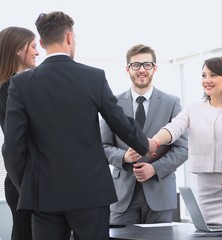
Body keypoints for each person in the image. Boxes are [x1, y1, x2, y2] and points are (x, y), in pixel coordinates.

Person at [2, 11, 157, 240]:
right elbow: (118, 121)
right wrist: (145, 144)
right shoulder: (92, 77)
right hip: (90, 194)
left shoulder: (21, 84)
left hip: (44, 195)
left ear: (42, 43)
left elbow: (12, 147)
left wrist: (26, 186)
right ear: (69, 37)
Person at [152, 56, 222, 227]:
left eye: (213, 75)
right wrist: (155, 141)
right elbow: (174, 128)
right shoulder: (193, 108)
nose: (207, 80)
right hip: (202, 190)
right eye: (203, 75)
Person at [100, 44, 188, 225]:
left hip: (160, 191)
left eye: (147, 65)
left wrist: (155, 169)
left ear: (155, 68)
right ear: (127, 69)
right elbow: (102, 146)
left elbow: (183, 149)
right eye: (136, 65)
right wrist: (123, 156)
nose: (142, 70)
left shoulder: (172, 102)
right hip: (122, 194)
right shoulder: (113, 103)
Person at [0, 26, 39, 240]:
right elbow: (15, 139)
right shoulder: (8, 87)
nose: (37, 51)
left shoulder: (20, 84)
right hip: (22, 179)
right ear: (18, 50)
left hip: (28, 178)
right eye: (33, 46)